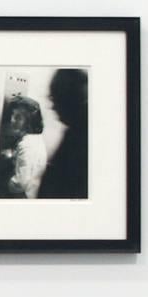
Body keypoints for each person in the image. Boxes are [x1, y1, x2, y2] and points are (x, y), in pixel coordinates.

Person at [38, 68, 90, 200]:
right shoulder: (76, 130)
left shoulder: (82, 136)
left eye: (55, 98)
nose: (52, 107)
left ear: (69, 98)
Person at [0, 94, 48, 199]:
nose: (12, 120)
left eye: (18, 117)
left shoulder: (27, 145)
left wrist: (3, 181)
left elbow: (20, 183)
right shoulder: (35, 140)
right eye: (12, 115)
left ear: (29, 122)